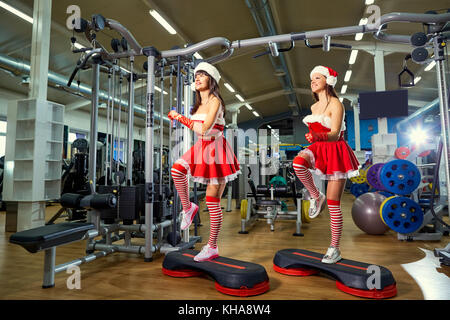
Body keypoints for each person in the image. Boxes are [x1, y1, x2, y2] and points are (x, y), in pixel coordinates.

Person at [168, 62, 241, 262]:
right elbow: (200, 133)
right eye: (196, 75)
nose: (197, 77)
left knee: (212, 201)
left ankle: (212, 246)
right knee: (176, 170)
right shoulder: (198, 105)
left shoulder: (215, 101)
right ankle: (188, 207)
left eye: (202, 74)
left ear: (211, 80)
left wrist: (179, 117)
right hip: (201, 147)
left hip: (216, 149)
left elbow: (204, 130)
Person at [292, 65, 360, 264]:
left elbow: (336, 134)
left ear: (328, 81)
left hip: (336, 150)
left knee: (333, 205)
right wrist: (314, 138)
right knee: (297, 164)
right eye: (312, 78)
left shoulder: (336, 104)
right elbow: (319, 137)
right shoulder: (313, 108)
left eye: (318, 78)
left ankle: (334, 247)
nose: (312, 81)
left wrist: (317, 135)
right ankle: (315, 195)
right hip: (319, 147)